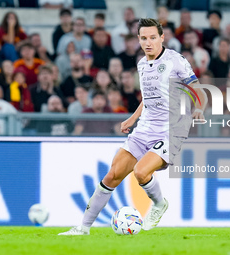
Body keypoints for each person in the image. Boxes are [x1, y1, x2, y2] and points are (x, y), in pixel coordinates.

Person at [59, 18, 206, 235]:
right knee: (112, 176)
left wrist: (199, 108)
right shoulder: (141, 64)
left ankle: (158, 204)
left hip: (169, 129)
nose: (148, 43)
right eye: (144, 38)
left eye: (153, 38)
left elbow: (198, 89)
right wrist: (132, 119)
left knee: (140, 172)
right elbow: (148, 98)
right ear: (138, 39)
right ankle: (83, 228)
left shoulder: (176, 60)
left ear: (162, 38)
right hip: (144, 127)